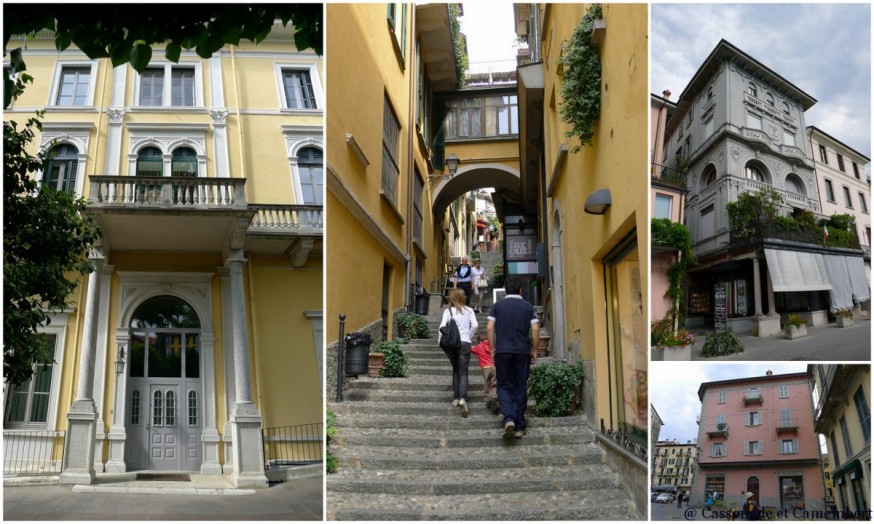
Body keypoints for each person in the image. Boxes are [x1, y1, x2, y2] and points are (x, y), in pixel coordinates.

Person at [487, 276, 539, 438]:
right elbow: (536, 329)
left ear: (505, 290)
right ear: (520, 290)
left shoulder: (497, 306)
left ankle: (508, 418)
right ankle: (520, 425)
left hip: (503, 351)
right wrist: (535, 350)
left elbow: (489, 328)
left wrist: (491, 349)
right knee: (520, 386)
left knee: (504, 385)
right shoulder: (527, 306)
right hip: (522, 351)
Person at [437, 288, 477, 417]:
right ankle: (462, 398)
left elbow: (442, 327)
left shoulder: (448, 311)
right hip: (465, 343)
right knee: (463, 371)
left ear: (452, 298)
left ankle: (455, 397)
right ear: (462, 297)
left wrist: (440, 342)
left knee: (455, 370)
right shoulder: (469, 310)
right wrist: (468, 337)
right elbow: (475, 325)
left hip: (452, 344)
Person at [470, 330, 498, 414]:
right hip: (494, 367)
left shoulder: (478, 347)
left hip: (485, 368)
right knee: (494, 384)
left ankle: (487, 399)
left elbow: (469, 349)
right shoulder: (493, 346)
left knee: (487, 383)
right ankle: (493, 396)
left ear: (479, 340)